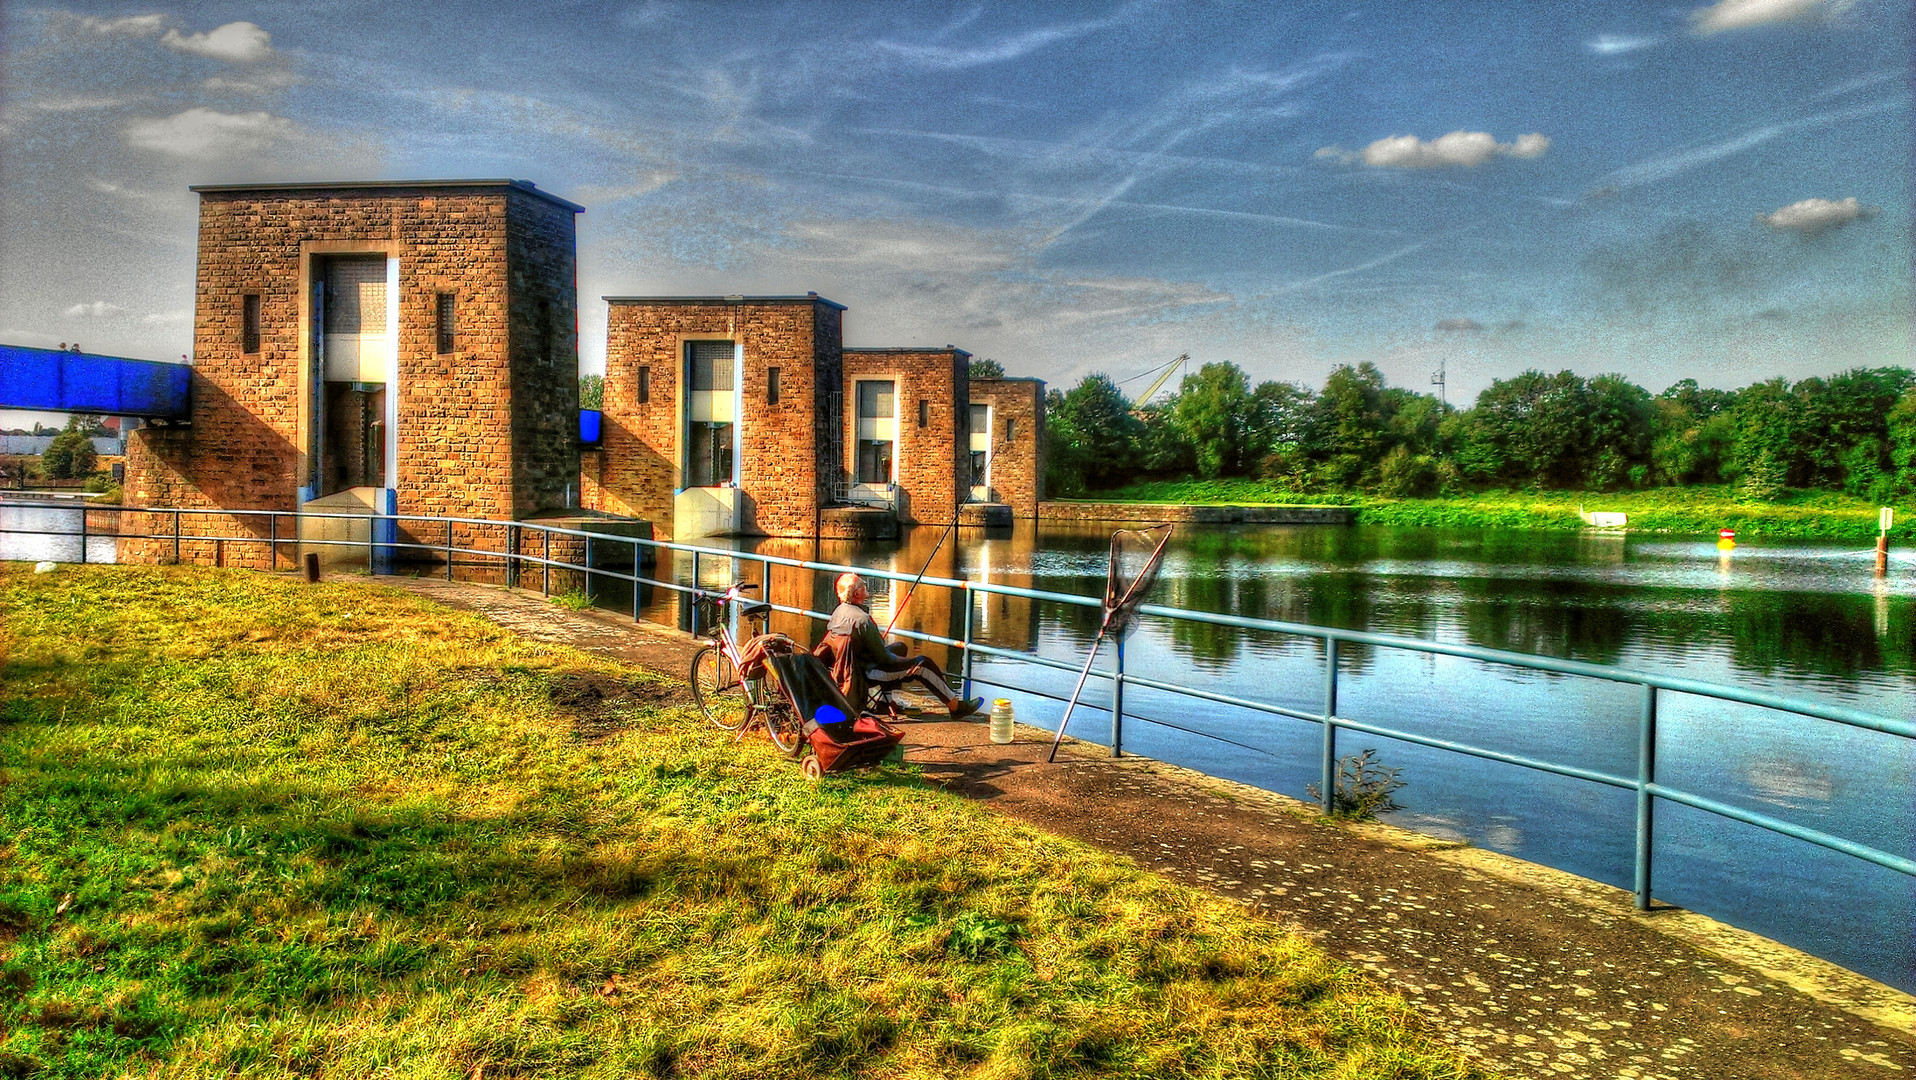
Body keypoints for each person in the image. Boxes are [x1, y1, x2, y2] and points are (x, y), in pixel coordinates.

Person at [819, 572, 983, 718]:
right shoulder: (862, 620)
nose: (866, 586)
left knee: (900, 647)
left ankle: (884, 702)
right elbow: (884, 659)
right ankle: (956, 707)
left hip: (851, 667)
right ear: (857, 593)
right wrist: (904, 662)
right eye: (863, 585)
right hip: (867, 672)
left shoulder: (838, 613)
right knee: (922, 664)